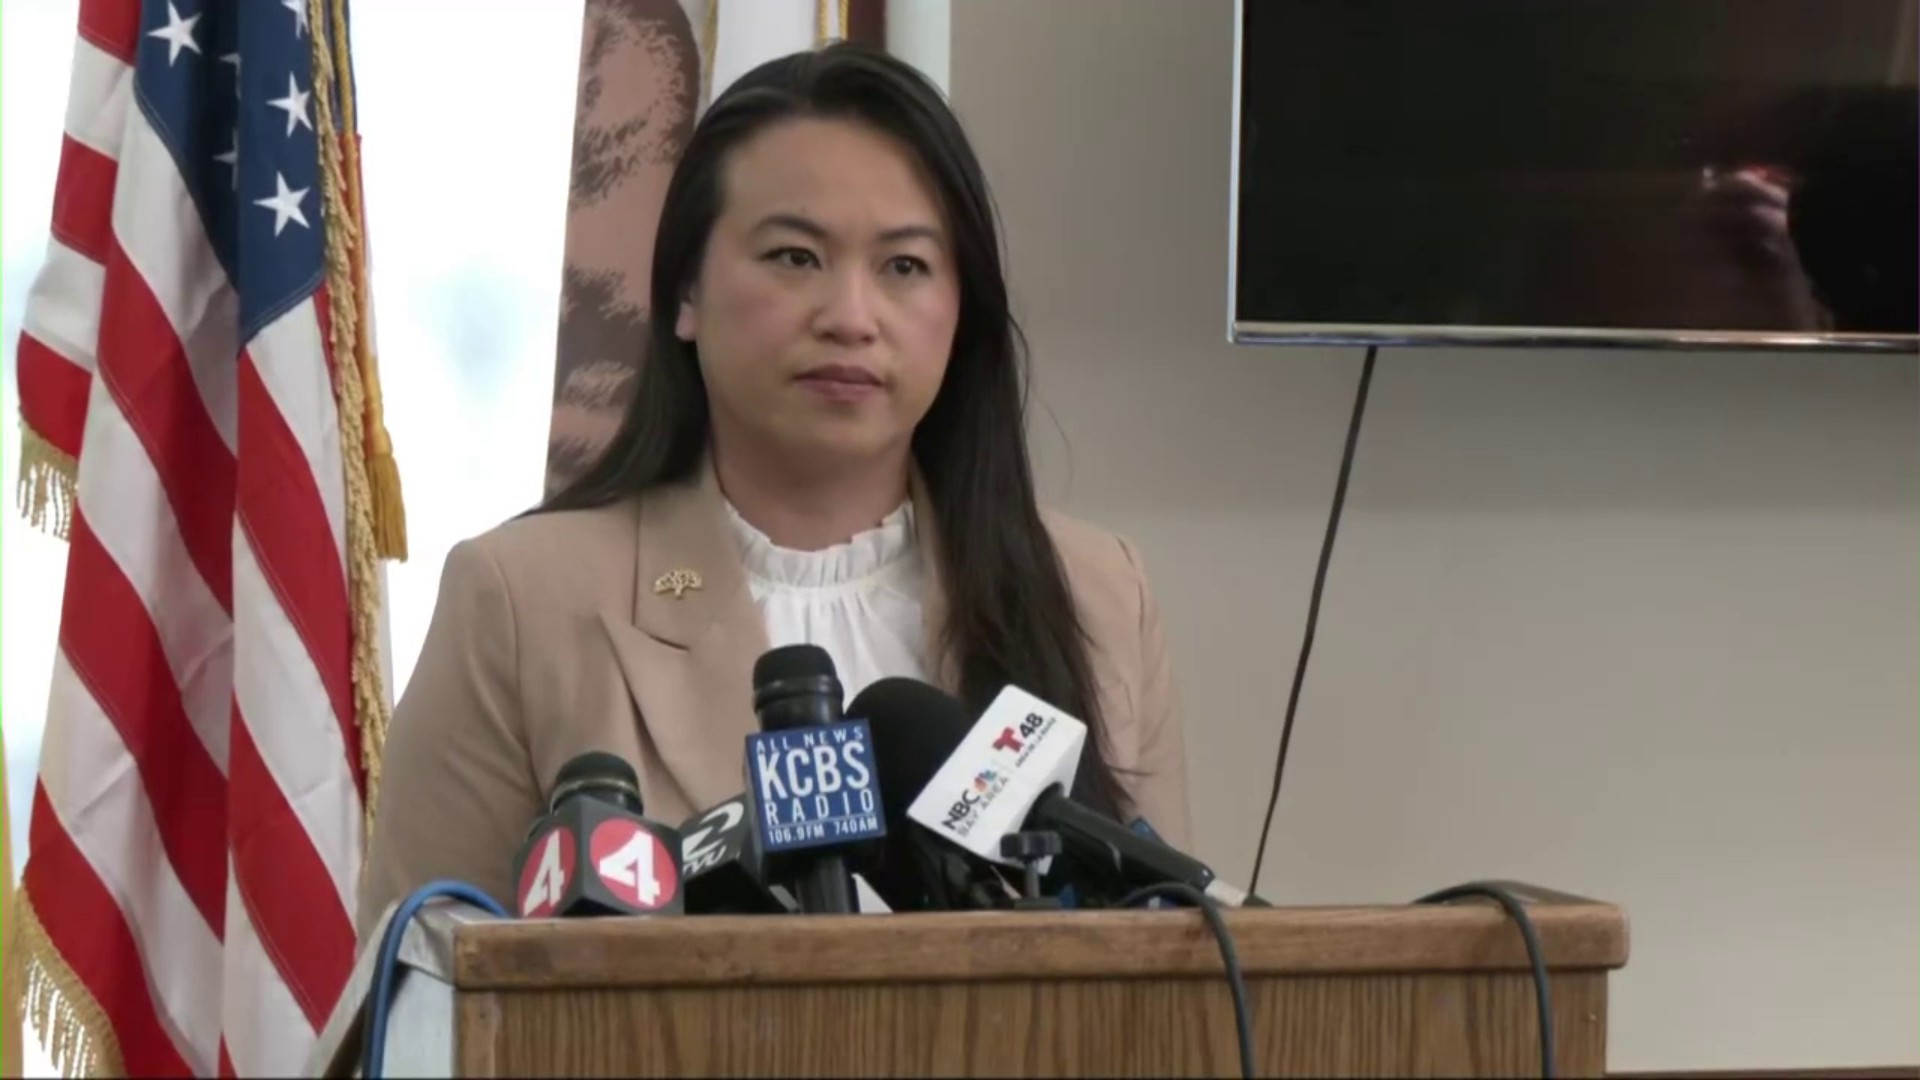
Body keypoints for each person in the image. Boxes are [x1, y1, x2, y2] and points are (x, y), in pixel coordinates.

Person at [356, 42, 1192, 935]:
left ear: (963, 308)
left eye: (904, 266)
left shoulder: (1096, 592)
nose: (851, 317)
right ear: (685, 293)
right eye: (796, 257)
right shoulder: (523, 601)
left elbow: (1177, 993)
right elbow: (421, 1006)